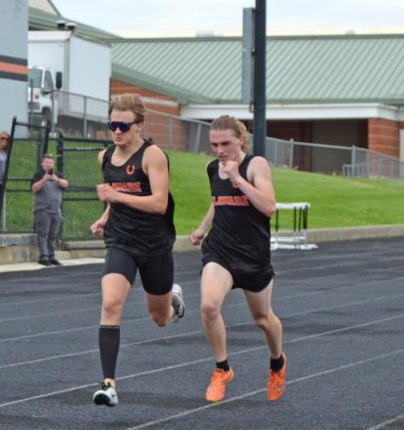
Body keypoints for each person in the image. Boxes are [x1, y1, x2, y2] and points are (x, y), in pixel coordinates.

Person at [89, 93, 185, 407]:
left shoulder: (152, 156)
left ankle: (173, 300)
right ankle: (108, 384)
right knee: (111, 303)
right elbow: (114, 199)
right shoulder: (105, 157)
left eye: (123, 125)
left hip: (155, 246)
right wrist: (105, 217)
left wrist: (115, 198)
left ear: (138, 126)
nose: (117, 131)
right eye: (112, 124)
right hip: (121, 243)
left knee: (160, 318)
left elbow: (158, 203)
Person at [189, 115, 287, 404]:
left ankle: (277, 363)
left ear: (240, 140)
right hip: (220, 250)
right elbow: (217, 202)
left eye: (225, 143)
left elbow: (268, 207)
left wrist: (237, 178)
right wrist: (202, 228)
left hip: (253, 254)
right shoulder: (211, 168)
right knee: (209, 305)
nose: (219, 150)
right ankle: (222, 369)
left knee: (263, 319)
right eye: (214, 144)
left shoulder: (255, 165)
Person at [31, 154, 68, 267]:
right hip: (43, 210)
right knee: (43, 233)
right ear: (42, 164)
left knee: (53, 235)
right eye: (46, 162)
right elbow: (34, 189)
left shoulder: (58, 175)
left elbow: (66, 184)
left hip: (56, 210)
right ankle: (43, 256)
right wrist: (44, 179)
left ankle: (51, 256)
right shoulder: (38, 175)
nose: (49, 165)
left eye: (51, 163)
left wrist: (55, 179)